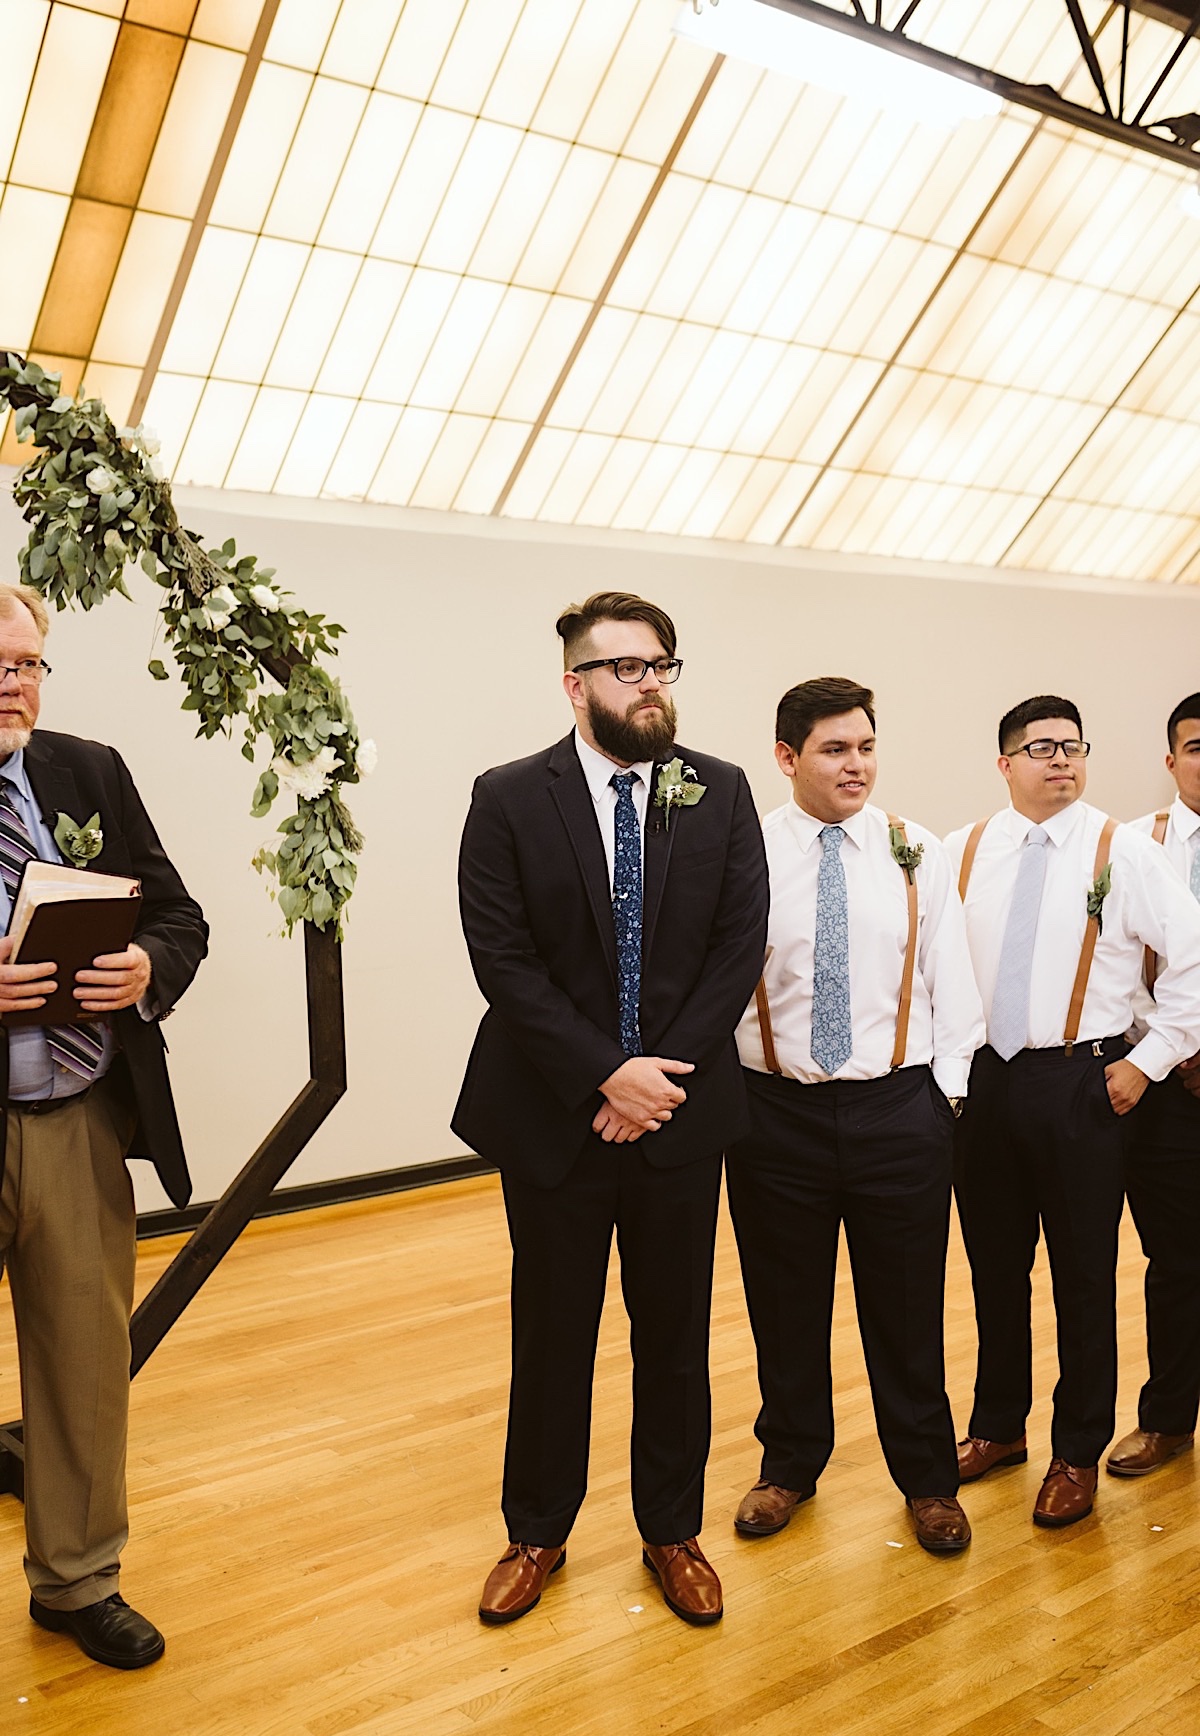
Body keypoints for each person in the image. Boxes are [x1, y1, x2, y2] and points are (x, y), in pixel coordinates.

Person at [453, 590, 767, 1626]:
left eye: (662, 666)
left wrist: (653, 1083)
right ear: (575, 683)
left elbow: (736, 950)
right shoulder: (506, 797)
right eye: (627, 668)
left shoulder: (718, 792)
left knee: (673, 1334)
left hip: (677, 1117)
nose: (650, 685)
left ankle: (672, 1531)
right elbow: (504, 962)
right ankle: (535, 1530)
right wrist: (603, 1074)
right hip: (552, 1118)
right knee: (553, 1331)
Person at [727, 677, 984, 1555]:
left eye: (867, 747)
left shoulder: (918, 848)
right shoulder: (743, 851)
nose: (857, 765)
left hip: (898, 1113)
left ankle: (928, 1482)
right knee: (784, 1302)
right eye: (836, 749)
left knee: (907, 1309)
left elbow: (956, 980)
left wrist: (943, 1097)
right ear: (787, 757)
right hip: (774, 1116)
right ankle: (789, 1465)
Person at [0, 581, 207, 1668]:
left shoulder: (86, 769)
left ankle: (76, 1581)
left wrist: (145, 969)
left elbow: (179, 913)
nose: (13, 682)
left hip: (75, 1116)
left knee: (84, 1360)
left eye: (28, 663)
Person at [947, 696, 1200, 1528]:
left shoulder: (1122, 850)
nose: (1060, 760)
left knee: (1083, 1278)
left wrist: (1144, 1063)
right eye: (1040, 747)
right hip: (986, 1087)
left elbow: (1196, 966)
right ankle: (997, 1428)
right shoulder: (964, 850)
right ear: (1005, 763)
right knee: (994, 1271)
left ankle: (1076, 1449)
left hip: (1084, 1085)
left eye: (1072, 747)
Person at [1109, 692, 1200, 1479]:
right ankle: (1169, 1419)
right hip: (1170, 1086)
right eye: (1199, 745)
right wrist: (1173, 1051)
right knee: (1177, 1259)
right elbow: (1115, 970)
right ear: (1171, 759)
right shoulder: (1133, 845)